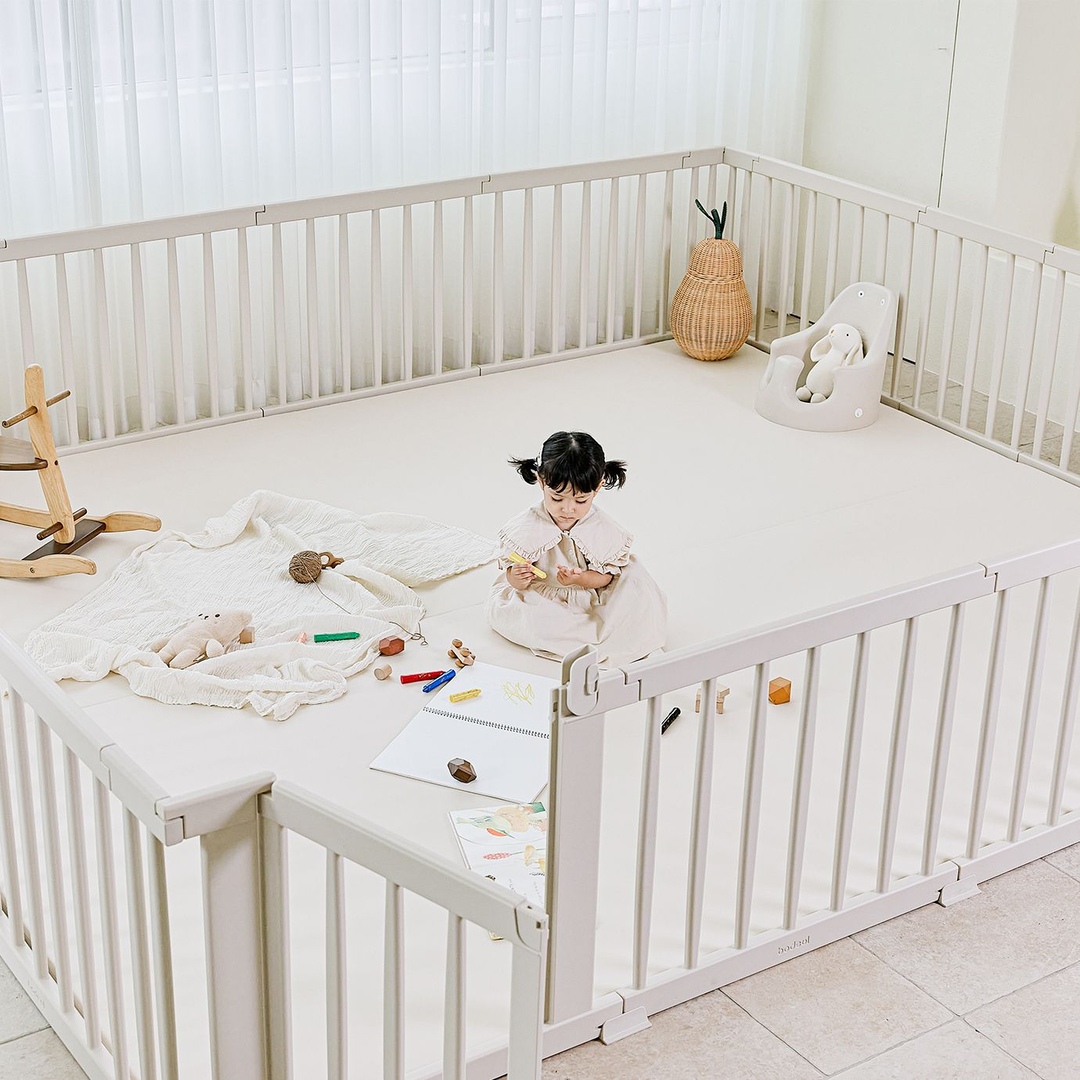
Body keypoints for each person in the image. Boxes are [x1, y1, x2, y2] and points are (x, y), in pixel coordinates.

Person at [485, 431, 667, 666]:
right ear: (541, 482)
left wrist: (581, 578)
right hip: (545, 597)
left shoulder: (602, 528)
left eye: (581, 500)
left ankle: (612, 635)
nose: (568, 509)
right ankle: (592, 641)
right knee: (534, 620)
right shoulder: (526, 528)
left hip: (591, 592)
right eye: (557, 498)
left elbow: (606, 579)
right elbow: (513, 579)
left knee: (638, 586)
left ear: (598, 488)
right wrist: (518, 577)